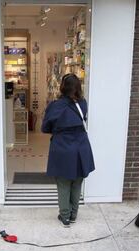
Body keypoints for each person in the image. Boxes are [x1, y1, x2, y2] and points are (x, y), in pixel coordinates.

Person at [41, 73, 95, 227]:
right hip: (81, 147)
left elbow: (45, 128)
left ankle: (65, 216)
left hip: (62, 147)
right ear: (78, 87)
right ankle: (73, 215)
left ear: (62, 87)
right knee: (77, 182)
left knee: (64, 183)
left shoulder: (55, 106)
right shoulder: (82, 103)